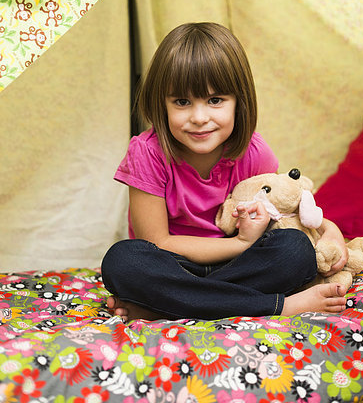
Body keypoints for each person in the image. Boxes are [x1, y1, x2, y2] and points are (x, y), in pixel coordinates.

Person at [101, 22, 348, 322]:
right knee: (122, 261)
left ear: (238, 102)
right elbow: (158, 243)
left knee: (295, 250)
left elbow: (286, 210)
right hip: (175, 267)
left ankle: (166, 307)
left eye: (215, 100)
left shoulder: (254, 153)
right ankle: (277, 305)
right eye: (182, 102)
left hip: (240, 266)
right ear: (161, 104)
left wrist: (330, 230)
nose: (199, 117)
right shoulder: (147, 153)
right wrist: (239, 242)